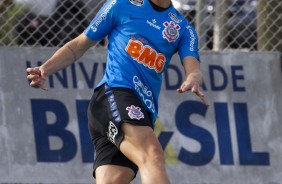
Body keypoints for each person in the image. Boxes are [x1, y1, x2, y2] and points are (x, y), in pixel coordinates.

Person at [26, 0, 209, 183]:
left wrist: (193, 77)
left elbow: (193, 68)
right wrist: (46, 68)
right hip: (114, 95)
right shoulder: (121, 5)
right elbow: (80, 44)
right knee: (152, 155)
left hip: (142, 111)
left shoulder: (183, 28)